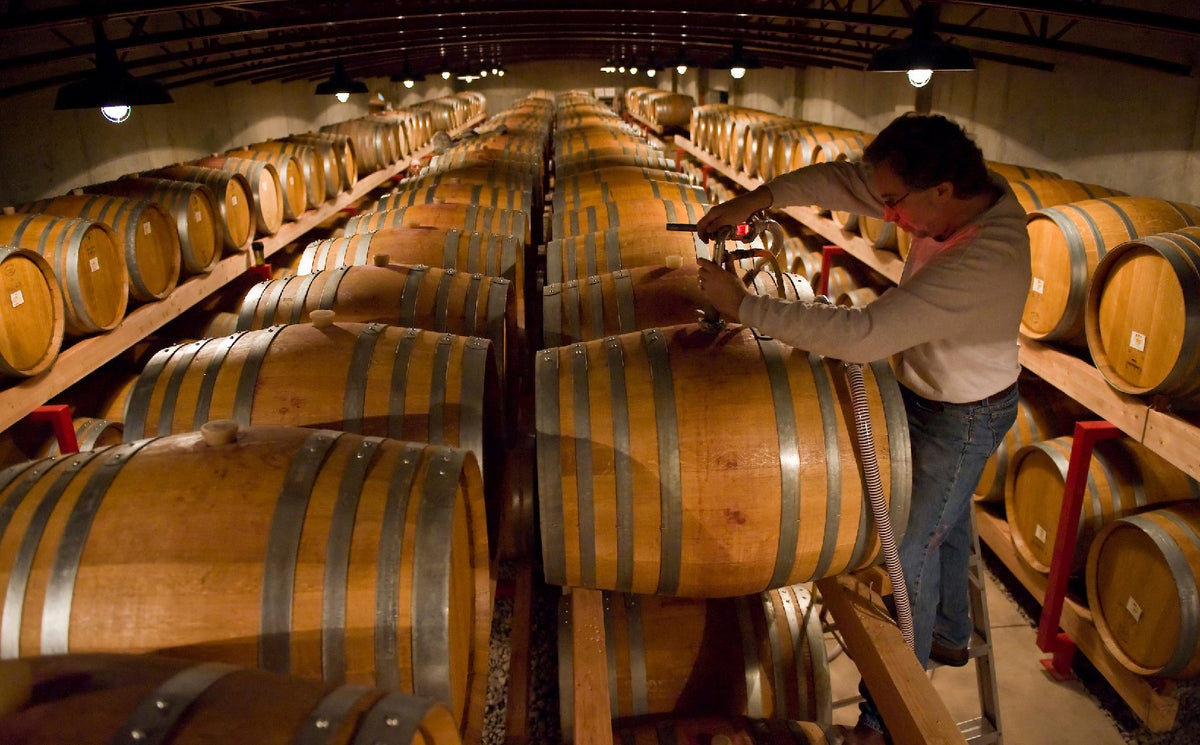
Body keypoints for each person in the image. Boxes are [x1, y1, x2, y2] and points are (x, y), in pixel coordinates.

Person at [695, 112, 1028, 745]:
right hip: (933, 388)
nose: (887, 214)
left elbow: (866, 336)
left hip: (962, 413)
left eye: (896, 205)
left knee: (905, 553)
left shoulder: (988, 256)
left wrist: (742, 306)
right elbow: (845, 183)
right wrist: (759, 197)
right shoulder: (952, 200)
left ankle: (883, 721)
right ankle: (951, 634)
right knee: (945, 523)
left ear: (943, 191)